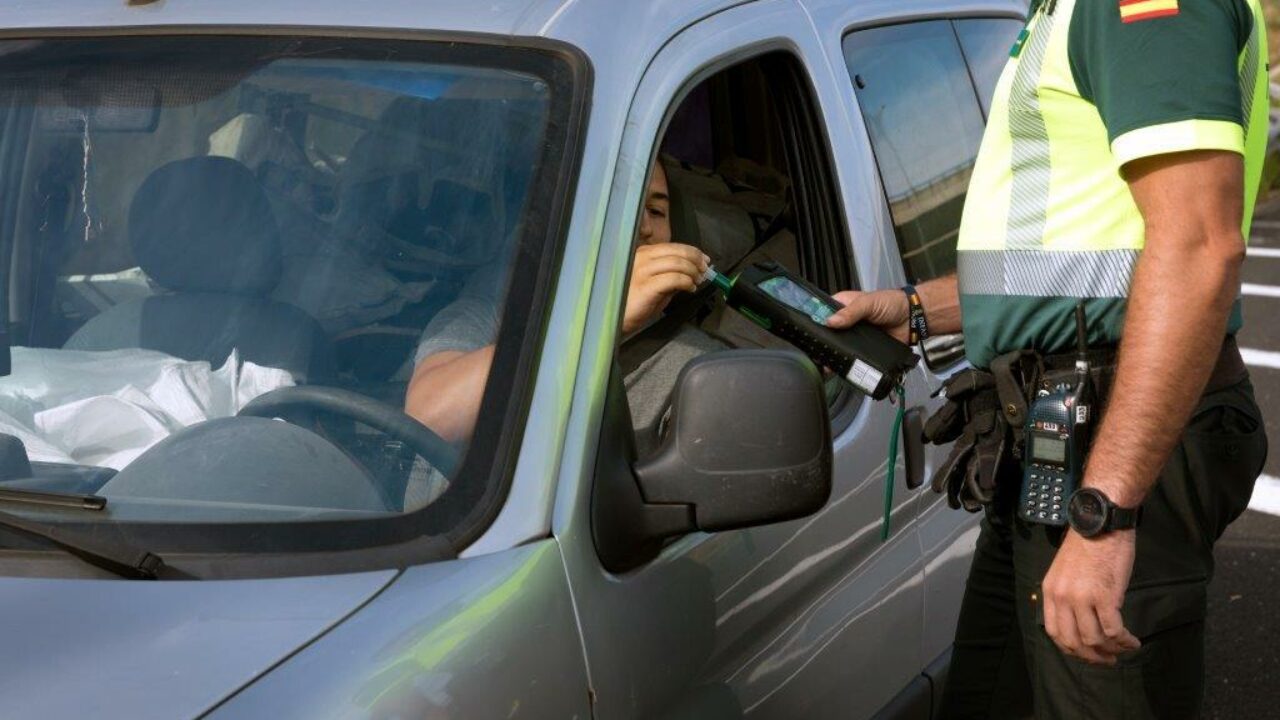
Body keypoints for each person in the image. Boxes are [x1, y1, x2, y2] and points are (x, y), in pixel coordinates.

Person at [826, 0, 1269, 717]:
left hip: (1113, 434)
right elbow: (1068, 264)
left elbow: (1197, 247)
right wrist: (915, 310)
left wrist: (1105, 515)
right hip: (1055, 438)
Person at [405, 159, 722, 453]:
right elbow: (430, 418)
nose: (645, 227)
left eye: (656, 210)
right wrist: (598, 322)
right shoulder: (494, 312)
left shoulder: (697, 366)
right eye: (618, 202)